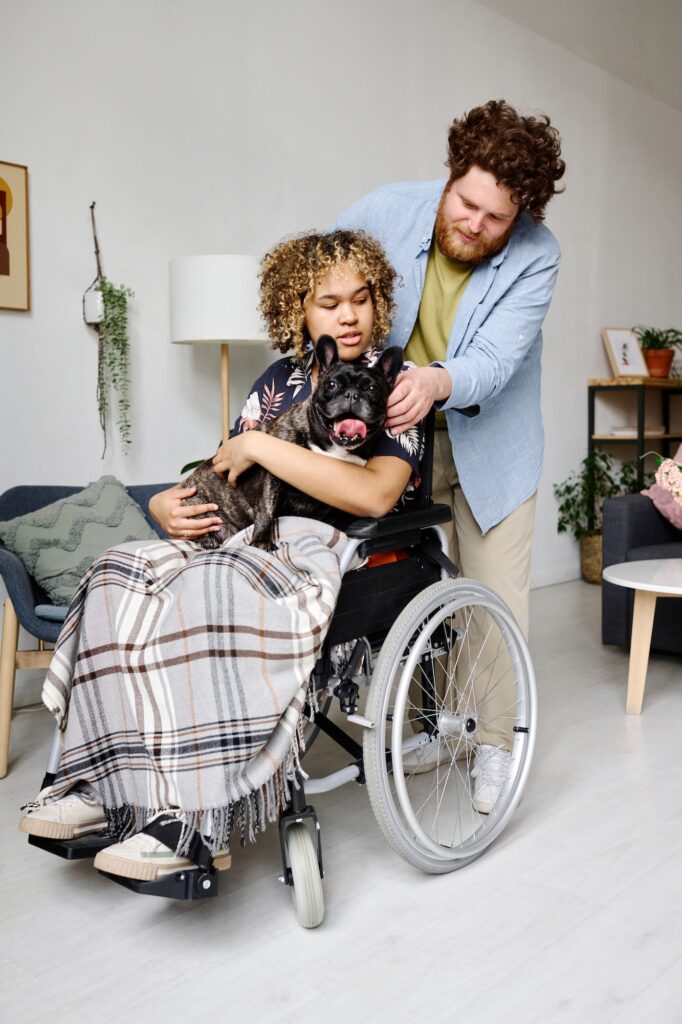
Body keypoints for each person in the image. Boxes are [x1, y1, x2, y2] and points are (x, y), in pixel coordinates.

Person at [20, 229, 424, 881]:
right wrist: (162, 508)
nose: (349, 314)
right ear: (299, 309)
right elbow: (224, 469)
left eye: (361, 297)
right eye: (329, 302)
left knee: (212, 587)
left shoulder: (397, 384)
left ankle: (193, 822)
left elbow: (377, 494)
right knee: (118, 574)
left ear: (378, 301)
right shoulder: (274, 384)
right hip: (246, 535)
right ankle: (100, 785)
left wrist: (263, 447)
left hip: (337, 552)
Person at [335, 99, 565, 811]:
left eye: (495, 219)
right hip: (399, 437)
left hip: (492, 440)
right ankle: (413, 725)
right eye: (467, 203)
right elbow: (328, 290)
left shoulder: (538, 255)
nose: (474, 224)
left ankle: (494, 744)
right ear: (451, 174)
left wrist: (437, 380)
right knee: (399, 579)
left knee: (492, 597)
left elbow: (495, 362)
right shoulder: (382, 212)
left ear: (522, 214)